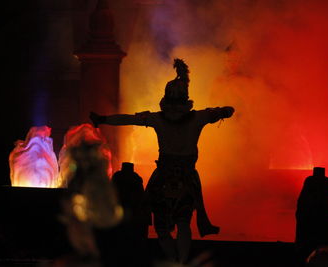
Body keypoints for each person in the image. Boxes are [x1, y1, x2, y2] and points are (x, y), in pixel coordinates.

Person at [90, 58, 234, 263]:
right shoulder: (198, 117)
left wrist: (104, 119)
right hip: (184, 179)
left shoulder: (163, 118)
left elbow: (128, 119)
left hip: (166, 178)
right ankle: (179, 261)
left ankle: (177, 261)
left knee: (168, 226)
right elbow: (227, 111)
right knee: (175, 224)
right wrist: (223, 111)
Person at [295, 167, 328, 263]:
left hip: (310, 227)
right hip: (324, 228)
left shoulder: (310, 183)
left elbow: (302, 205)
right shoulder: (326, 185)